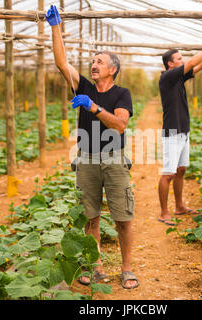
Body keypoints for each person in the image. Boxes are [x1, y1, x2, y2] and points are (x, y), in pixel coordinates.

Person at [46, 5, 138, 289]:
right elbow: (62, 63)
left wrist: (94, 107)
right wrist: (55, 28)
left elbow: (120, 125)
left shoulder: (121, 94)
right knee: (91, 217)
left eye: (99, 61)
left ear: (113, 69)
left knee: (122, 218)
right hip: (85, 158)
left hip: (113, 159)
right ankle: (95, 266)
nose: (93, 65)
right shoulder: (83, 86)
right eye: (92, 61)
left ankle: (126, 268)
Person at [158, 41, 202, 226]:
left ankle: (179, 207)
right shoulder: (168, 77)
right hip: (172, 132)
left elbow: (199, 65)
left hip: (183, 131)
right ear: (170, 64)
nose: (183, 60)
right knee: (168, 174)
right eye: (179, 58)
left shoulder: (178, 78)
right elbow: (192, 62)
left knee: (181, 170)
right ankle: (164, 212)